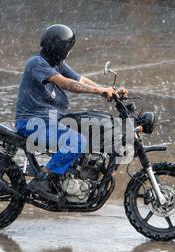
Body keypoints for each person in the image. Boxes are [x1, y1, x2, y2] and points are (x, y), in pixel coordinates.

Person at [15, 24, 127, 201]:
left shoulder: (56, 63)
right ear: (61, 49)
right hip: (31, 122)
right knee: (75, 141)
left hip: (51, 120)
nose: (69, 53)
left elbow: (80, 79)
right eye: (68, 49)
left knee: (88, 129)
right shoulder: (37, 63)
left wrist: (106, 89)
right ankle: (43, 180)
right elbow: (65, 83)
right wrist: (98, 92)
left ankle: (70, 176)